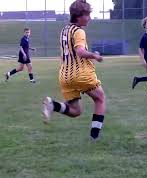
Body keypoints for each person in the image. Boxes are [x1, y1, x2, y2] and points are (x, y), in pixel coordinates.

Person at [42, 0, 106, 140]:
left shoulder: (64, 30)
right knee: (100, 99)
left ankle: (53, 105)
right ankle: (94, 137)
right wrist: (95, 56)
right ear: (78, 16)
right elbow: (80, 51)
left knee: (76, 111)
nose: (89, 18)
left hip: (65, 76)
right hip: (81, 73)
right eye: (87, 15)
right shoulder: (79, 31)